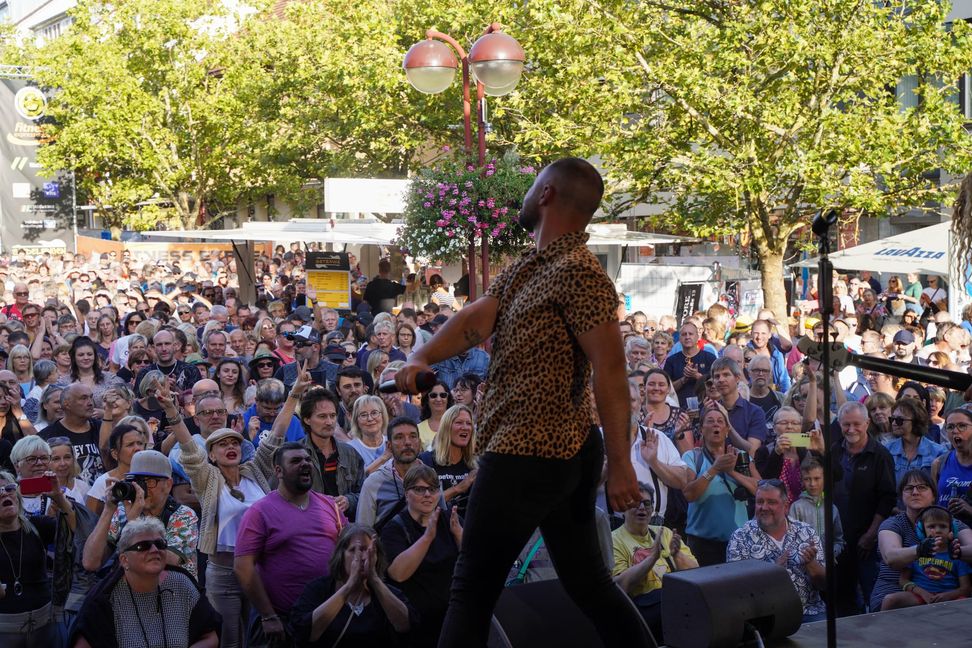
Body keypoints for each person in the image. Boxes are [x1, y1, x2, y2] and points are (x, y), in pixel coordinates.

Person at [397, 157, 651, 648]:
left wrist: (621, 463)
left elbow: (612, 371)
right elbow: (476, 318)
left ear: (548, 193)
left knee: (471, 587)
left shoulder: (580, 273)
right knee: (589, 584)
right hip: (548, 453)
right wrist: (421, 352)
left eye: (532, 185)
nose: (525, 195)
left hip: (530, 450)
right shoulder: (530, 270)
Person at [234, 441, 347, 647]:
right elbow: (243, 567)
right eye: (295, 461)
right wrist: (268, 616)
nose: (305, 464)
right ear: (278, 470)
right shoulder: (260, 512)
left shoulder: (329, 505)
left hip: (326, 616)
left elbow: (348, 549)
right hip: (281, 621)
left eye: (307, 459)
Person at [70, 517, 221, 648]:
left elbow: (210, 637)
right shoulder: (106, 598)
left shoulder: (181, 584)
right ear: (124, 560)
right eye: (143, 546)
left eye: (160, 544)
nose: (154, 550)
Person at [261, 368, 365, 519]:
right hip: (305, 527)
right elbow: (276, 496)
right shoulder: (293, 456)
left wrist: (349, 500)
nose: (329, 422)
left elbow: (363, 492)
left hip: (344, 529)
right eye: (322, 416)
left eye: (332, 416)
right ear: (307, 419)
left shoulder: (350, 454)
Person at [81, 449, 200, 578]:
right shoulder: (121, 511)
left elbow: (166, 562)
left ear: (168, 484)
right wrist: (109, 509)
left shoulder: (183, 515)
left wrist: (134, 523)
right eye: (138, 481)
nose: (142, 489)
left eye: (149, 482)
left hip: (173, 592)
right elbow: (90, 563)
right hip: (130, 593)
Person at [289, 524, 412, 647]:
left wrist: (374, 579)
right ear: (340, 555)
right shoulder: (318, 589)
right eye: (354, 550)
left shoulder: (387, 592)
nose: (363, 557)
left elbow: (405, 626)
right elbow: (306, 633)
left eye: (369, 551)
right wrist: (349, 585)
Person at [381, 464, 461, 647]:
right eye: (419, 489)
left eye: (432, 489)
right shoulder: (394, 528)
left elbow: (473, 563)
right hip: (417, 625)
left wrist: (459, 535)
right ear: (406, 492)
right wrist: (427, 538)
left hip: (451, 618)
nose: (427, 495)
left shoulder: (450, 519)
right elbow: (398, 574)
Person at [727, 479, 827, 623]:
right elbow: (736, 591)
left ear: (786, 506)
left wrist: (811, 564)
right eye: (760, 502)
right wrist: (773, 573)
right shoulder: (740, 538)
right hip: (765, 615)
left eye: (771, 502)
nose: (764, 507)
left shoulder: (806, 532)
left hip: (809, 611)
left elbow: (825, 585)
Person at [871, 470, 972, 611]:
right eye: (909, 488)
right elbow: (890, 557)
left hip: (946, 594)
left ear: (934, 496)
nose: (915, 492)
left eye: (922, 487)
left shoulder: (950, 523)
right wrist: (920, 550)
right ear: (901, 496)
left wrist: (958, 552)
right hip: (894, 589)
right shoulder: (893, 524)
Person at [830, 401, 896, 615]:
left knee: (873, 595)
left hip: (868, 541)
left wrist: (870, 534)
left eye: (856, 424)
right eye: (846, 424)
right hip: (840, 540)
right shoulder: (834, 451)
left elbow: (887, 498)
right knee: (843, 599)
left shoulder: (880, 455)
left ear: (867, 423)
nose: (851, 429)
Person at [612, 481, 698, 643]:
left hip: (675, 602)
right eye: (635, 503)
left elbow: (696, 572)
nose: (642, 508)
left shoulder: (664, 532)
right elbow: (620, 586)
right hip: (642, 607)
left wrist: (677, 554)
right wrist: (653, 557)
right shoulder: (614, 539)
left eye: (647, 503)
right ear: (623, 508)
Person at [681, 404, 760, 566]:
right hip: (702, 543)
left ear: (727, 430)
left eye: (720, 421)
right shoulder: (692, 457)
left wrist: (731, 472)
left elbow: (761, 490)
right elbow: (689, 494)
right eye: (710, 421)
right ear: (702, 430)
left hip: (738, 541)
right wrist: (715, 468)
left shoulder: (741, 457)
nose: (716, 424)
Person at [0, 470, 59, 647]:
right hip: (4, 632)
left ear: (17, 495)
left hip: (45, 626)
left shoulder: (37, 525)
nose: (4, 494)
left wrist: (59, 498)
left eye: (9, 488)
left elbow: (76, 534)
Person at [881, 505, 972, 609]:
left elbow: (966, 588)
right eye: (931, 526)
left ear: (952, 530)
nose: (937, 530)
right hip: (919, 595)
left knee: (965, 604)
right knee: (889, 600)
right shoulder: (914, 552)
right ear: (921, 530)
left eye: (943, 526)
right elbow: (903, 581)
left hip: (950, 597)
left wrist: (947, 596)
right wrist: (923, 593)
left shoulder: (957, 554)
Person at [357, 416, 429, 528]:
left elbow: (442, 522)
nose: (407, 442)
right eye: (399, 437)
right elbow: (363, 531)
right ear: (389, 446)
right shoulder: (373, 483)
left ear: (419, 443)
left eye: (413, 436)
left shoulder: (431, 477)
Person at [418, 404, 478, 518]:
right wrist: (458, 488)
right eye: (459, 422)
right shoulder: (426, 461)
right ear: (446, 427)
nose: (465, 427)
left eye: (469, 423)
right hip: (436, 529)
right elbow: (421, 503)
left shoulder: (475, 465)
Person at [40, 384, 103, 487]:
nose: (90, 403)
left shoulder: (102, 429)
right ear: (66, 404)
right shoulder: (46, 437)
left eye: (91, 397)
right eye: (83, 398)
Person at [85, 422, 148, 517]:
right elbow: (89, 522)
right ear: (115, 454)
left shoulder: (152, 477)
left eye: (140, 443)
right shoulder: (104, 483)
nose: (137, 448)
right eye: (130, 445)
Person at [789, 458, 846, 559]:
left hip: (828, 567)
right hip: (804, 565)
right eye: (807, 479)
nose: (812, 484)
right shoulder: (796, 507)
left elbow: (839, 540)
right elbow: (790, 539)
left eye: (817, 478)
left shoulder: (832, 508)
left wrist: (832, 553)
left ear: (824, 478)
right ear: (802, 480)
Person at [885, 397, 946, 486]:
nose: (894, 423)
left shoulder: (938, 452)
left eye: (899, 420)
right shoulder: (887, 450)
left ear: (916, 421)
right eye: (892, 419)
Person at [932, 407, 972, 524]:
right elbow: (934, 503)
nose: (955, 430)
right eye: (950, 427)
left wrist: (969, 510)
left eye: (962, 425)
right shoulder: (939, 463)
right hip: (946, 535)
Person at [348, 395, 390, 474]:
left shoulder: (393, 443)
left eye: (374, 413)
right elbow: (356, 479)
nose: (370, 419)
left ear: (383, 416)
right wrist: (384, 458)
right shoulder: (350, 449)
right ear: (356, 421)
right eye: (363, 415)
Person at [417, 381, 453, 449]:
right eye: (433, 395)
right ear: (427, 400)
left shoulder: (457, 424)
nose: (438, 399)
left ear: (448, 398)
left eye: (443, 395)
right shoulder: (418, 429)